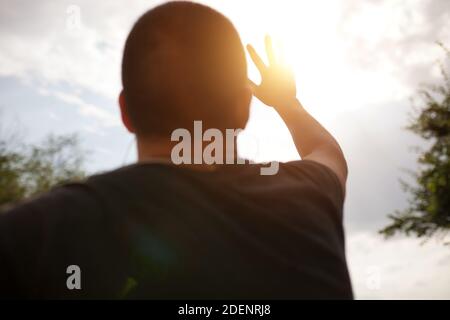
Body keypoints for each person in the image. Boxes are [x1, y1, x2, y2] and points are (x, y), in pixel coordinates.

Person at [0, 1, 353, 299]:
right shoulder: (308, 198)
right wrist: (286, 103)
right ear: (245, 108)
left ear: (125, 112)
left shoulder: (37, 234)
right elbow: (327, 152)